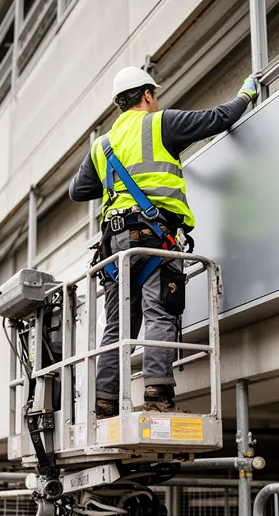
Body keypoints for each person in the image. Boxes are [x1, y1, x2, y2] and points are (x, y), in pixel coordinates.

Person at [68, 66, 257, 417]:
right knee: (160, 313)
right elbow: (219, 118)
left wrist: (115, 178)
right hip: (154, 238)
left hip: (114, 246)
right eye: (154, 95)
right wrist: (246, 94)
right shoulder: (161, 123)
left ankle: (104, 401)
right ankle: (156, 395)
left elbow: (77, 191)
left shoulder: (102, 144)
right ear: (147, 95)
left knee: (118, 326)